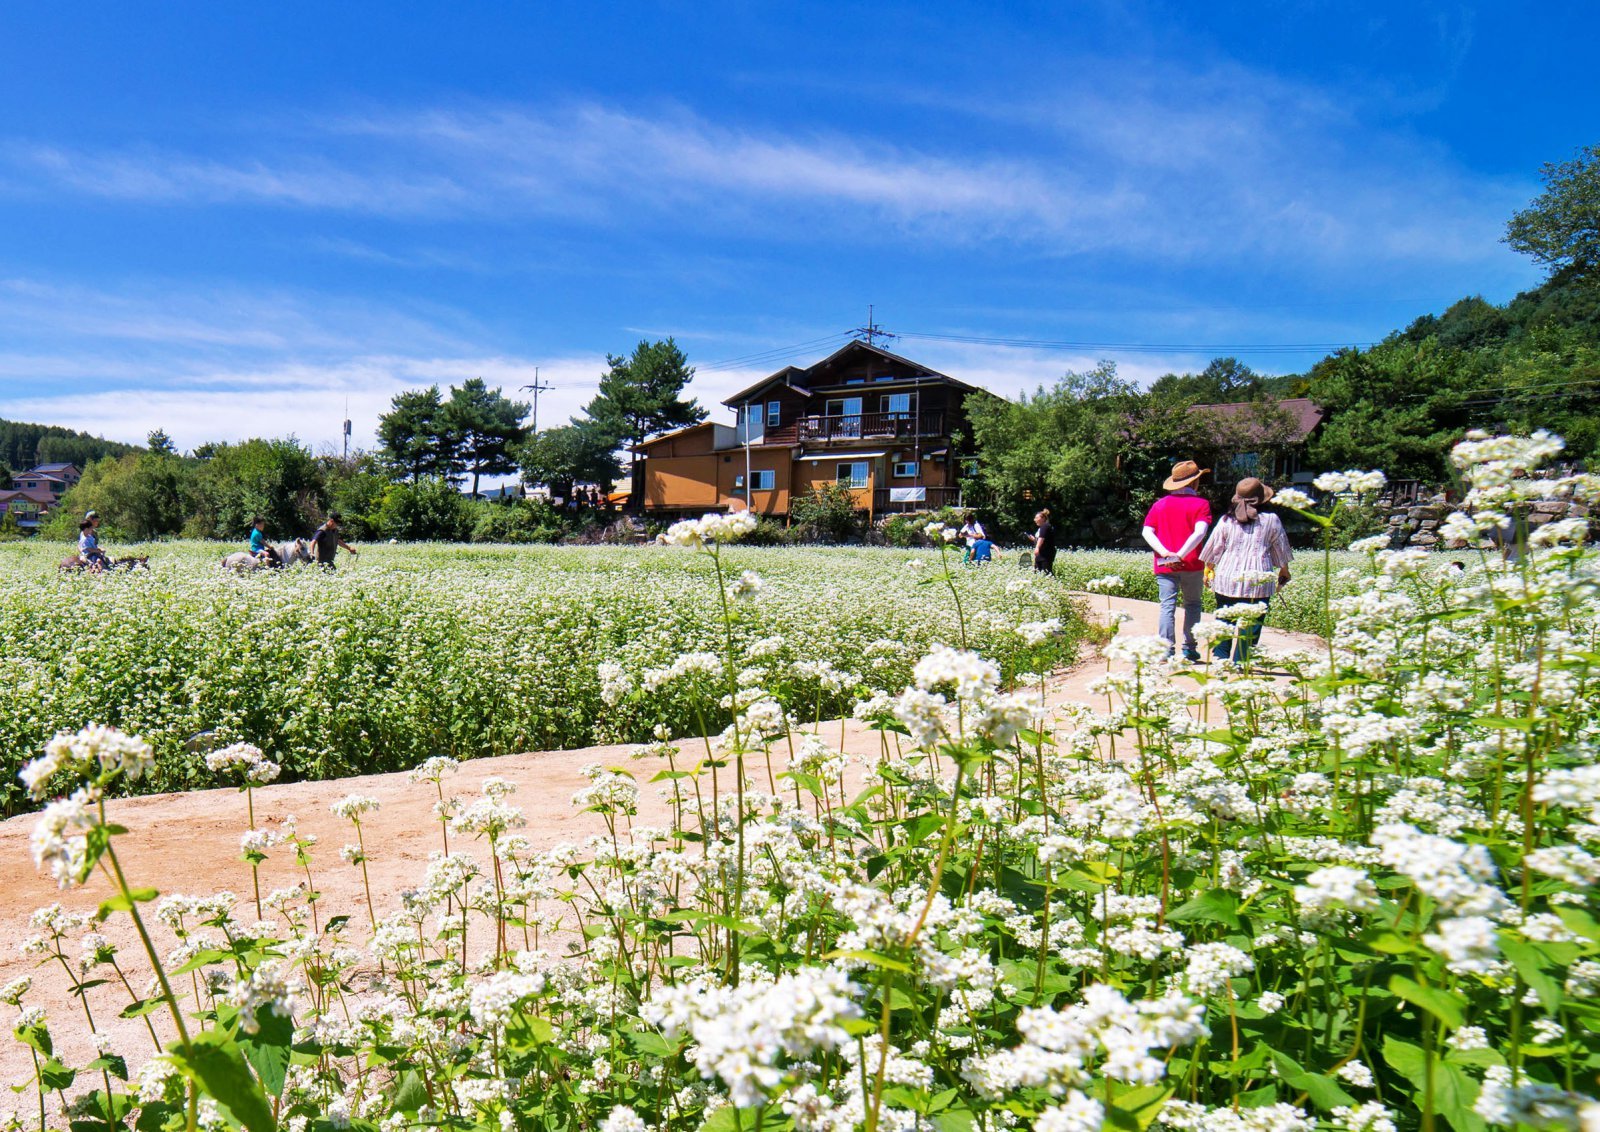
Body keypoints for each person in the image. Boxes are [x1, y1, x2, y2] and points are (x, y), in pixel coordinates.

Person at [1198, 477, 1292, 664]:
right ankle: (1241, 662)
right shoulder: (1271, 520)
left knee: (1224, 620)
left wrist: (1208, 570)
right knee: (1252, 624)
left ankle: (1220, 660)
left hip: (1227, 577)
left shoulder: (1226, 520)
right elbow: (1281, 549)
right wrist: (1284, 571)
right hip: (1258, 579)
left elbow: (1214, 548)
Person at [1143, 460, 1212, 661]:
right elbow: (1200, 533)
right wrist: (1180, 554)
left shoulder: (1159, 504)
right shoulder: (1201, 504)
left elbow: (1147, 532)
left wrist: (1166, 553)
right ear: (1195, 482)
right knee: (1192, 605)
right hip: (1191, 563)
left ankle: (1165, 649)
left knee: (1167, 606)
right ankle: (1190, 648)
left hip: (1164, 564)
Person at [1031, 509, 1057, 574]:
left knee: (1046, 573)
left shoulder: (1045, 526)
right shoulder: (1042, 528)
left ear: (1042, 518)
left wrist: (1037, 548)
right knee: (1037, 572)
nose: (1035, 520)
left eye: (1037, 518)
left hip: (1045, 555)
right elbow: (1041, 539)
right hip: (1041, 554)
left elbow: (1042, 538)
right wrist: (1034, 539)